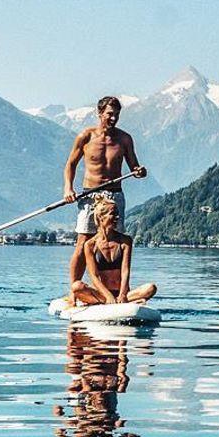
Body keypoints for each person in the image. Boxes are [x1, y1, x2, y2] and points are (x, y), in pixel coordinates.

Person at [64, 95, 146, 270]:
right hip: (90, 194)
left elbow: (134, 167)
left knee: (113, 243)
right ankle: (74, 286)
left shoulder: (124, 139)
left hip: (114, 195)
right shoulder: (86, 136)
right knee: (83, 242)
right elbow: (70, 164)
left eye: (117, 114)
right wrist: (68, 189)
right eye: (110, 114)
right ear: (100, 113)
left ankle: (112, 285)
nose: (114, 118)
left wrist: (139, 171)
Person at [65, 193, 158, 310]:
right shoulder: (90, 245)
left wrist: (122, 294)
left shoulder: (125, 241)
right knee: (77, 286)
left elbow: (125, 271)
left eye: (117, 214)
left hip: (123, 294)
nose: (117, 217)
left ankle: (119, 300)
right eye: (113, 214)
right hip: (102, 295)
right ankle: (106, 301)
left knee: (151, 288)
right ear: (101, 217)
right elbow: (94, 276)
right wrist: (108, 296)